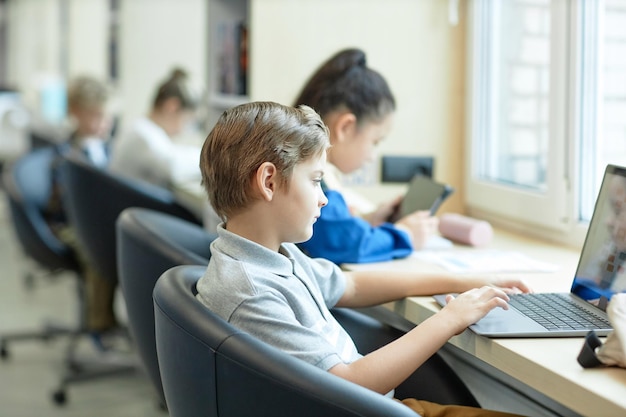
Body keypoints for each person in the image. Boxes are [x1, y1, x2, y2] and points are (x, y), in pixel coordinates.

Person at [196, 101, 531, 416]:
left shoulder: (272, 256)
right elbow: (347, 384)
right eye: (315, 182)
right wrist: (450, 319)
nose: (324, 200)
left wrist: (465, 281)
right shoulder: (251, 290)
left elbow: (353, 285)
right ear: (269, 181)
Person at [294, 48, 439, 264]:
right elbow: (341, 243)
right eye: (375, 142)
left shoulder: (301, 162)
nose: (372, 156)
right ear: (346, 128)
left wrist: (369, 220)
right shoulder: (308, 178)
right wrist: (404, 236)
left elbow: (334, 230)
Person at [45, 75, 118, 337]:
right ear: (75, 113)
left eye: (108, 116)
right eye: (97, 116)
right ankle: (99, 326)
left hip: (99, 221)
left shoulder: (109, 148)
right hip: (70, 224)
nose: (104, 123)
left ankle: (109, 320)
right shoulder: (66, 154)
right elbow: (63, 202)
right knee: (96, 249)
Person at [108, 67, 201, 189]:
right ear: (172, 107)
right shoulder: (141, 135)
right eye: (187, 121)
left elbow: (172, 153)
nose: (183, 130)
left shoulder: (143, 129)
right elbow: (173, 167)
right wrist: (213, 157)